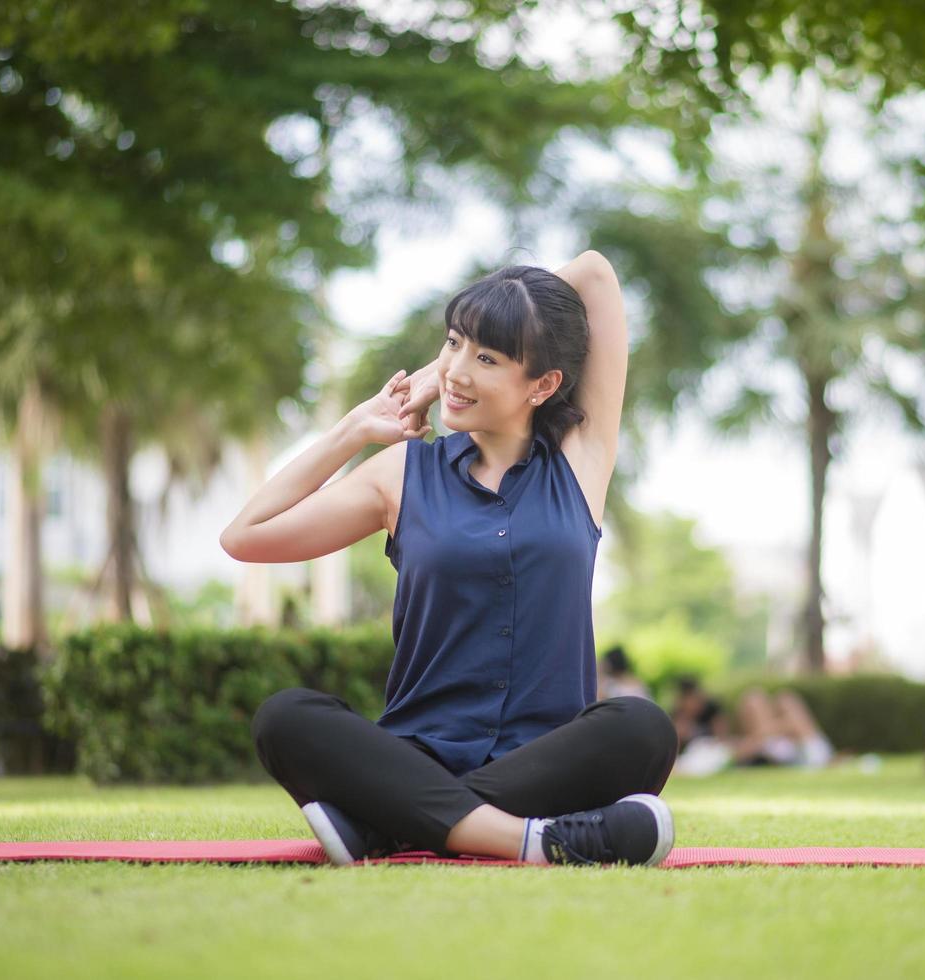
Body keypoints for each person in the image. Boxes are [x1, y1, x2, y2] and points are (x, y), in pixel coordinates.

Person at [223, 252, 679, 867]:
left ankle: (390, 822)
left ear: (543, 384)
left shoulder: (580, 460)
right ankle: (536, 840)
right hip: (418, 755)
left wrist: (501, 317)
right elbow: (247, 536)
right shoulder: (401, 475)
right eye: (454, 344)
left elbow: (595, 272)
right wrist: (355, 430)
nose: (460, 369)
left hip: (547, 764)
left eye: (486, 358)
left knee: (642, 729)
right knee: (286, 718)